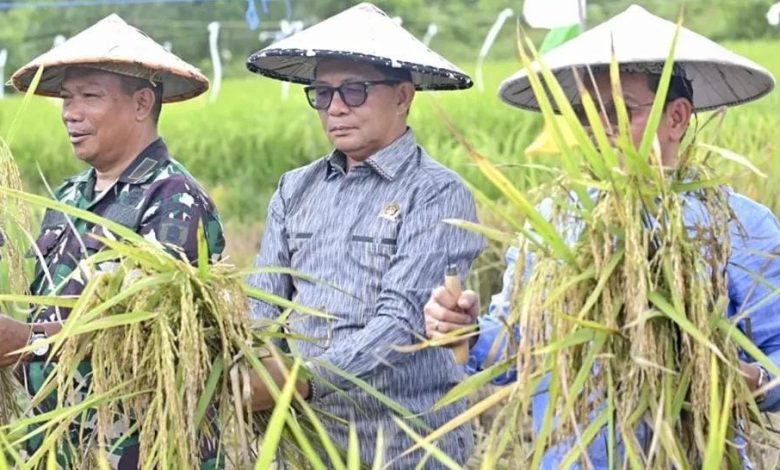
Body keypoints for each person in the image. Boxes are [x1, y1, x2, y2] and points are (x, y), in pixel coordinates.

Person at [424, 4, 779, 468]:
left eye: (618, 111)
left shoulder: (736, 225)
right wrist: (467, 333)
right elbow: (519, 348)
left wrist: (741, 378)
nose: (599, 129)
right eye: (586, 113)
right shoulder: (554, 220)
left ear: (677, 117)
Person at [244, 3, 485, 467]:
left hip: (404, 447)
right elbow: (264, 307)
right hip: (306, 445)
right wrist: (259, 366)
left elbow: (402, 320)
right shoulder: (294, 189)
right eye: (322, 93)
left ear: (402, 96)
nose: (336, 107)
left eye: (354, 91)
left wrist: (303, 379)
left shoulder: (436, 193)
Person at [0, 14, 224, 468]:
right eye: (67, 97)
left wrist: (29, 342)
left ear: (142, 103)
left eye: (90, 96)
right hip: (61, 445)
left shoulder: (173, 198)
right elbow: (50, 312)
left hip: (142, 451)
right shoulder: (68, 196)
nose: (71, 112)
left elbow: (149, 335)